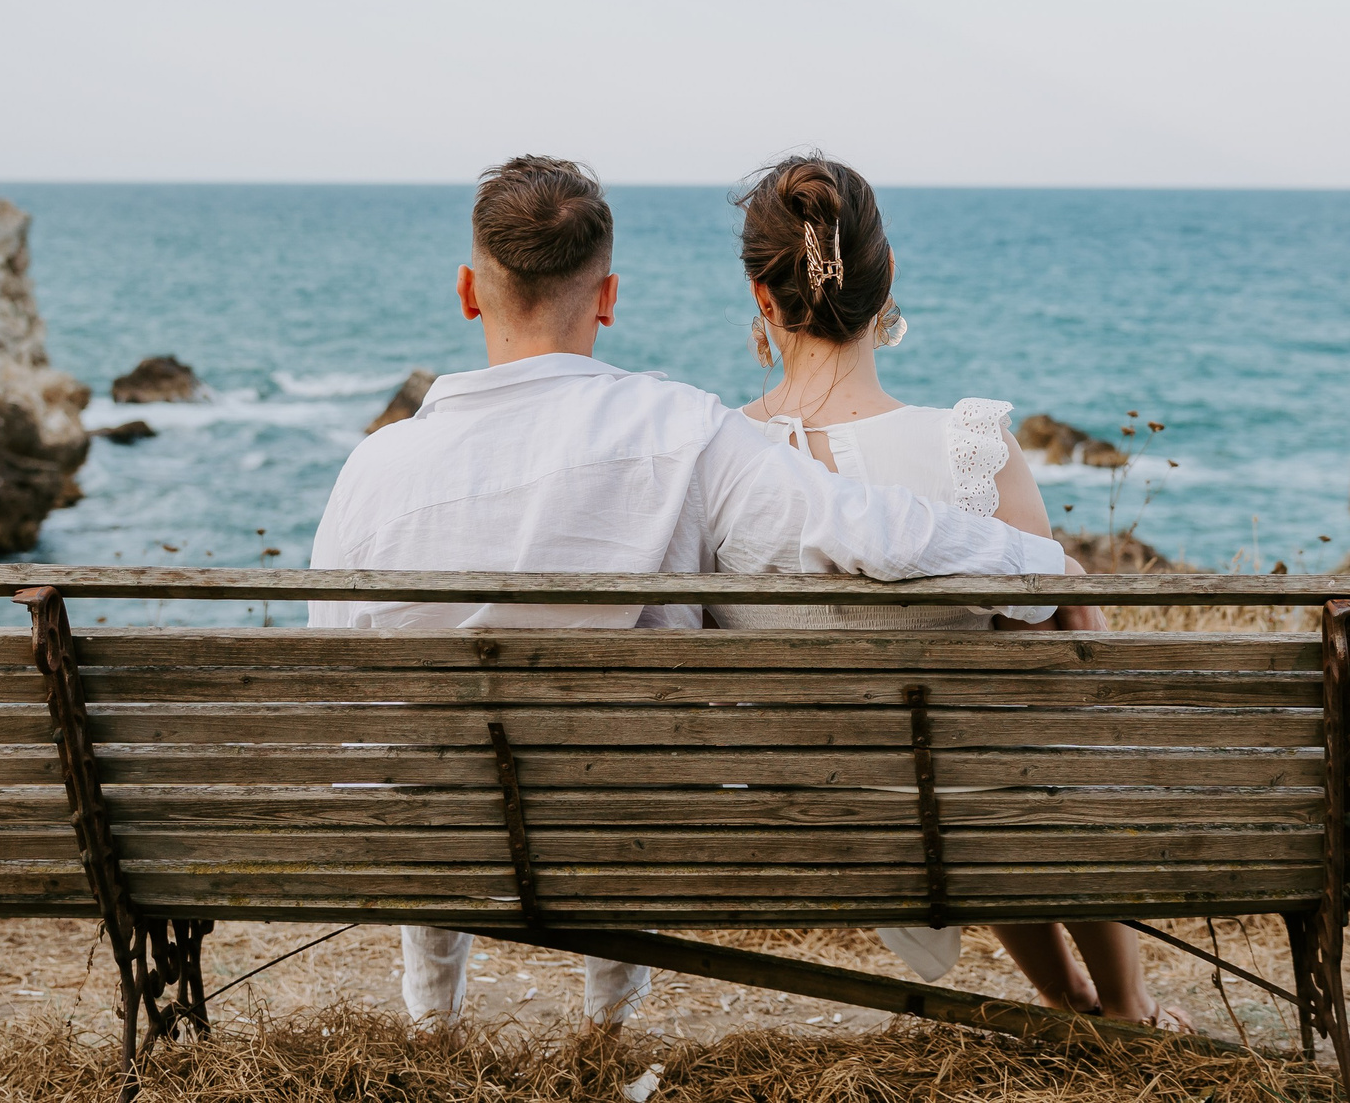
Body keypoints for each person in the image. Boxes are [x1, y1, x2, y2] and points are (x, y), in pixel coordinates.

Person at [307, 155, 1076, 1029]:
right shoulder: (677, 427)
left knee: (436, 742)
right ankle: (608, 1026)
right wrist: (1042, 569)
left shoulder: (374, 465)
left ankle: (430, 1021)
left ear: (467, 291)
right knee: (613, 749)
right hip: (623, 823)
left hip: (423, 832)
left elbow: (347, 673)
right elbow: (857, 526)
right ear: (608, 296)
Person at [711, 154, 1193, 1032]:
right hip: (963, 806)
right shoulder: (971, 446)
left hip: (804, 810)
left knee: (963, 757)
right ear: (885, 278)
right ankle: (1122, 1004)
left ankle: (1065, 997)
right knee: (1004, 734)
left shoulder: (714, 459)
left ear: (761, 296)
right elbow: (1056, 673)